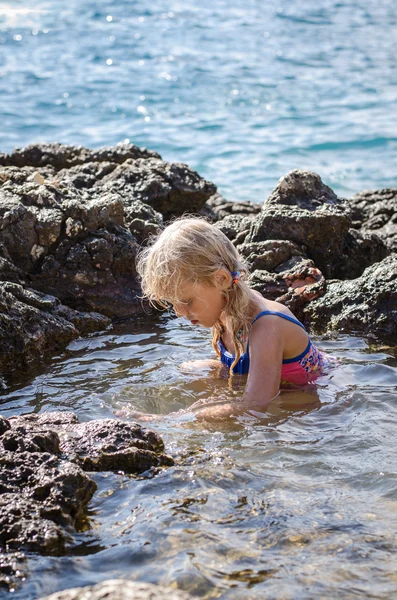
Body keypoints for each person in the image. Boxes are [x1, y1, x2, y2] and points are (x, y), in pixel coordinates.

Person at [135, 216, 333, 419]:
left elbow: (256, 406)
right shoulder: (224, 306)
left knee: (277, 412)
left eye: (186, 301)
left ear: (221, 279)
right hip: (274, 378)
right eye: (173, 302)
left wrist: (173, 419)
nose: (179, 312)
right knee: (192, 369)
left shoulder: (266, 326)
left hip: (307, 391)